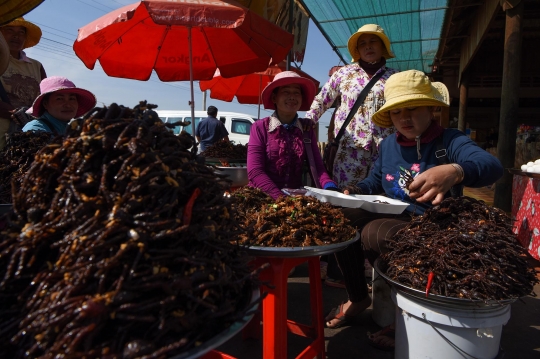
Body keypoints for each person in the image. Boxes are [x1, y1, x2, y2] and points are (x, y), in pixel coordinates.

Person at [324, 70, 504, 351]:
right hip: (396, 213)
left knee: (373, 233)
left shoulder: (450, 141)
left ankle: (408, 316)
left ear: (431, 108)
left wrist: (456, 170)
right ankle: (358, 296)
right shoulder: (387, 146)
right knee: (338, 219)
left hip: (435, 225)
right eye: (397, 112)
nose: (404, 118)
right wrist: (355, 191)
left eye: (413, 109)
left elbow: (492, 167)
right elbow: (375, 180)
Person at [306, 24, 399, 187]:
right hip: (349, 150)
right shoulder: (343, 74)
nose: (368, 46)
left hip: (384, 150)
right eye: (362, 43)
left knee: (381, 199)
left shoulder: (395, 77)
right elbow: (322, 100)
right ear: (357, 50)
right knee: (347, 198)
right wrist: (308, 122)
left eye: (373, 41)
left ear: (382, 46)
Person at [247, 71, 338, 199]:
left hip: (294, 201)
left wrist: (329, 186)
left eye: (296, 92)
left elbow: (317, 167)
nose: (292, 97)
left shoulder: (306, 129)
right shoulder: (260, 127)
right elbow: (255, 172)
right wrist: (280, 198)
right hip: (262, 198)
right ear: (274, 98)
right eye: (286, 92)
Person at [0, 17, 47, 148]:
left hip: (28, 137)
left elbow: (47, 100)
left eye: (21, 32)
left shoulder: (36, 66)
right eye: (9, 30)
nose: (16, 36)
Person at [23, 76, 96, 134]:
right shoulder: (35, 130)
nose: (68, 105)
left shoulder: (70, 131)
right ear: (45, 104)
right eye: (59, 99)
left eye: (72, 99)